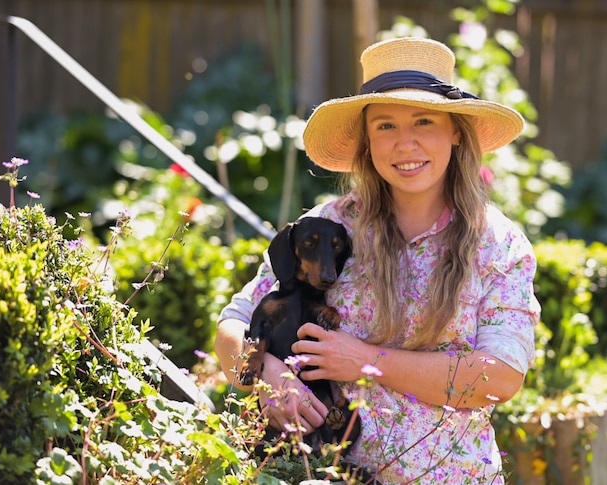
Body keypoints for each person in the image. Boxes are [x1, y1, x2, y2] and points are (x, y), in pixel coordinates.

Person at [215, 36, 540, 484]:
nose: (405, 144)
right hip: (318, 475)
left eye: (424, 121)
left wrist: (367, 360)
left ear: (456, 132)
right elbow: (232, 327)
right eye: (386, 126)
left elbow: (502, 377)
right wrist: (269, 376)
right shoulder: (325, 230)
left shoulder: (497, 244)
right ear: (368, 140)